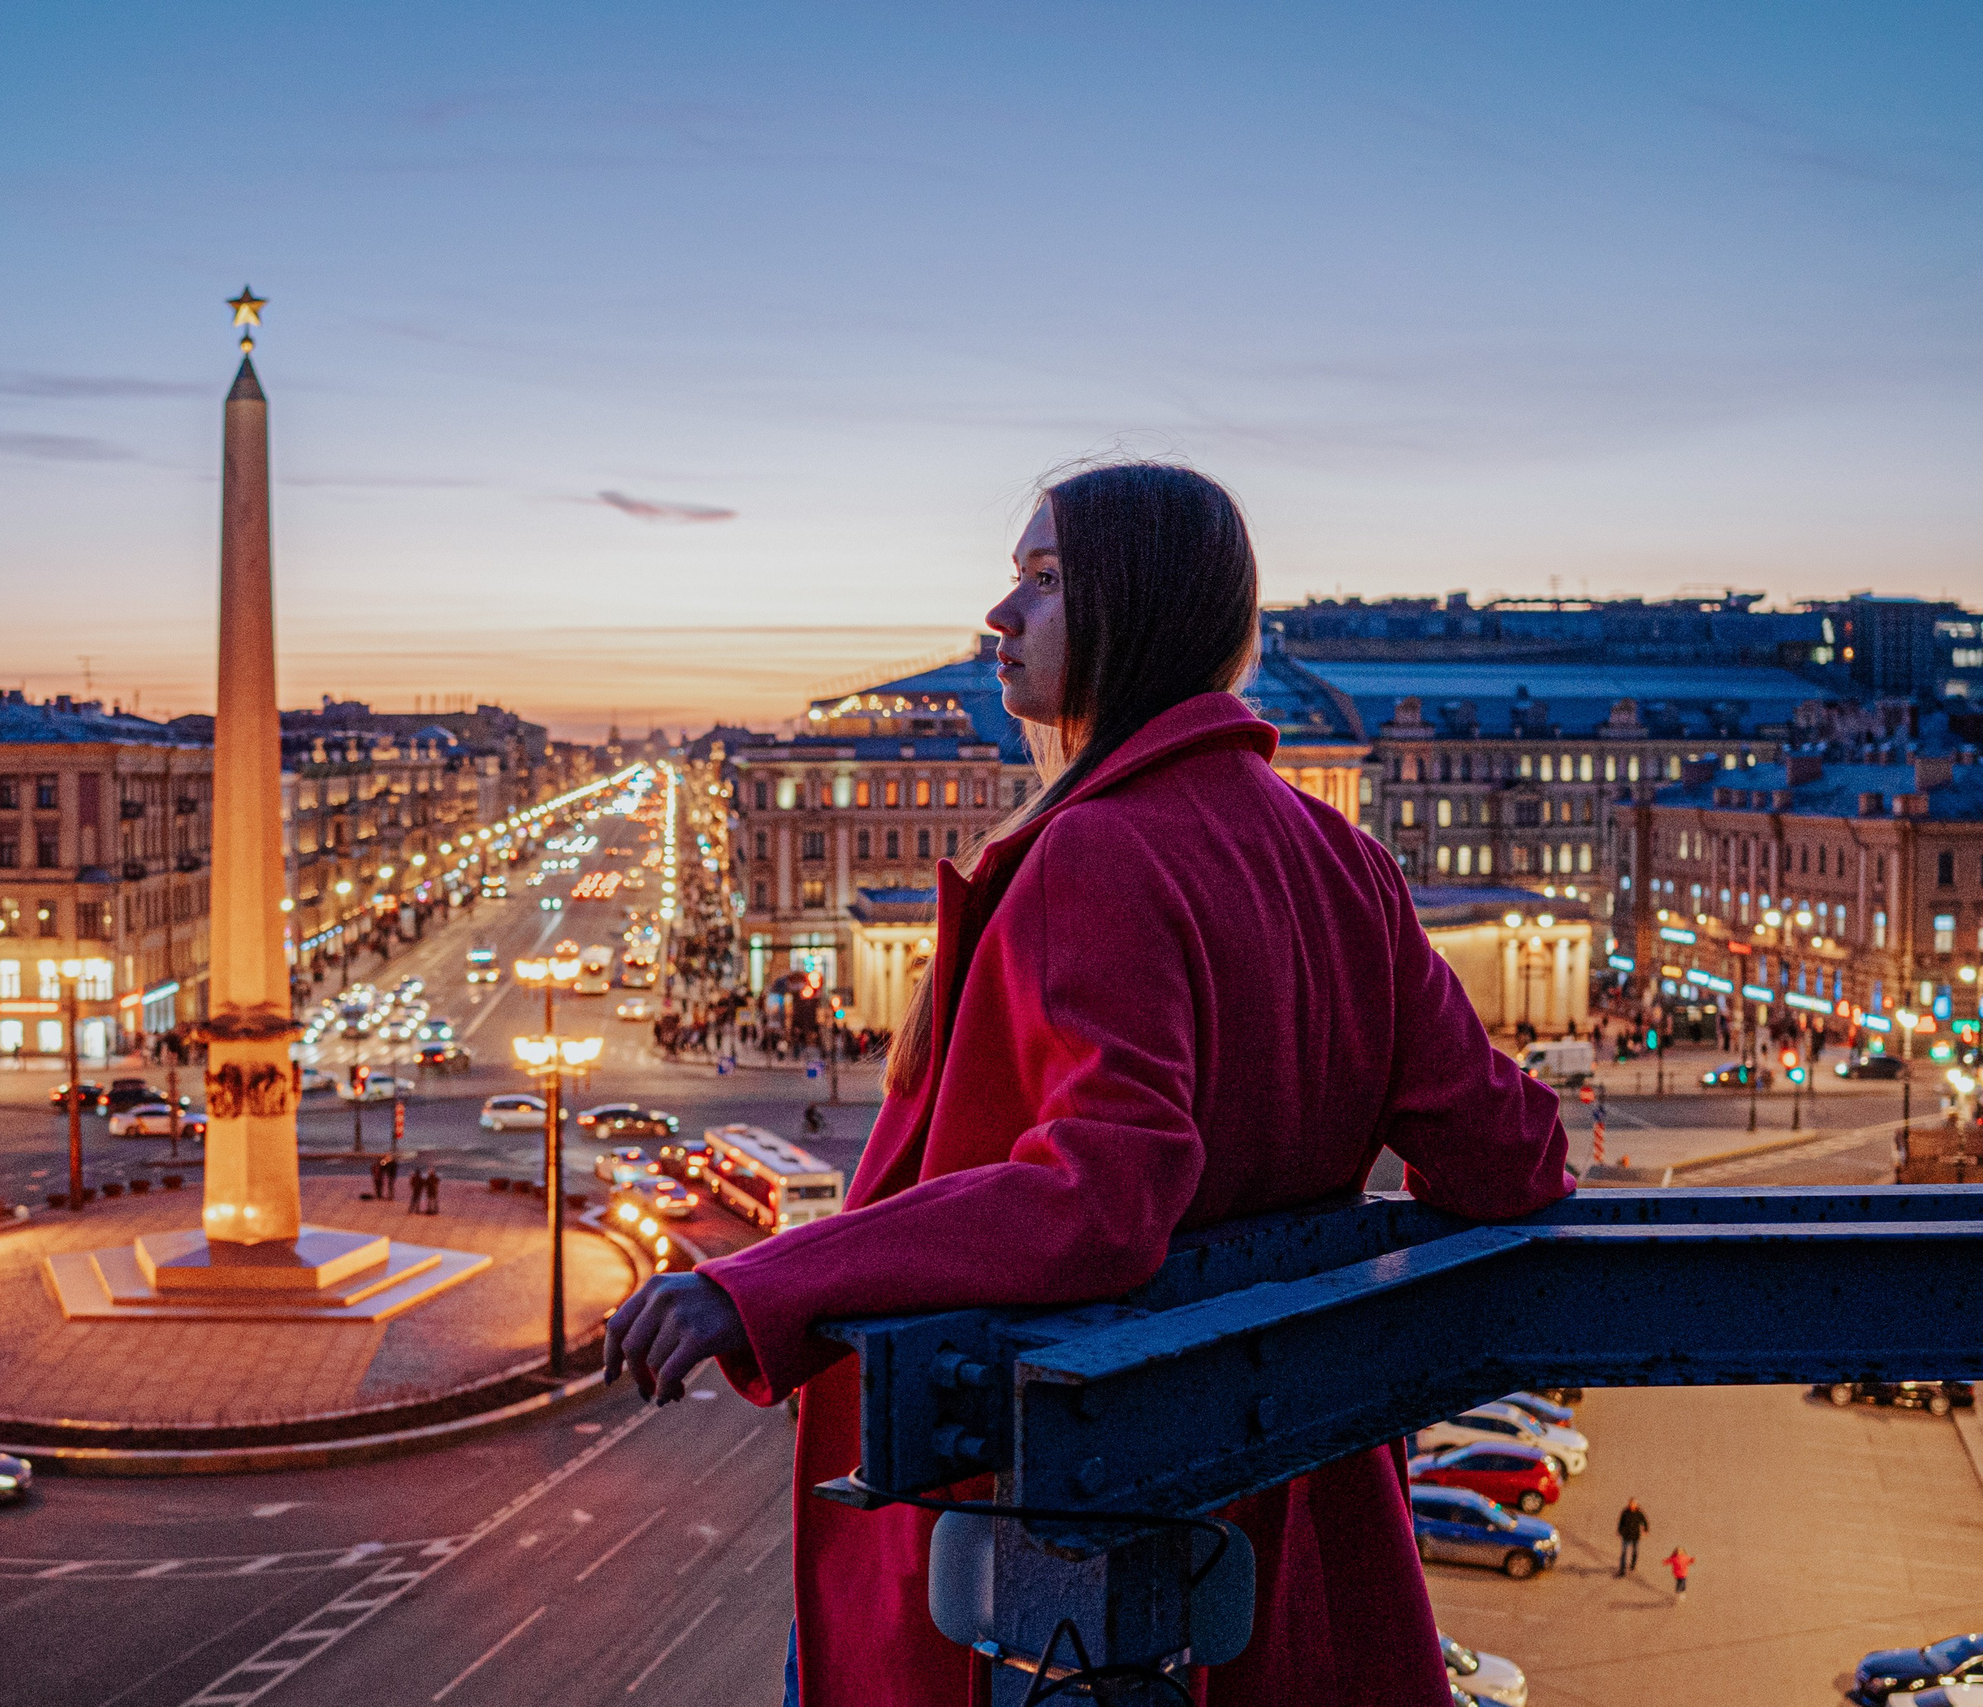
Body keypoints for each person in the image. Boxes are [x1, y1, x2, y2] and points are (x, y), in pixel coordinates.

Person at [602, 462, 1570, 1707]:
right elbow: (1514, 1160)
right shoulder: (1345, 863)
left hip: (1055, 1554)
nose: (998, 619)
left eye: (1044, 583)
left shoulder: (1095, 851)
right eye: (1013, 582)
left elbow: (1102, 1196)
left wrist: (767, 1282)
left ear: (1141, 607)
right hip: (1282, 1512)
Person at [1616, 1498, 1648, 1574]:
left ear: (1636, 1505)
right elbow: (1621, 1522)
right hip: (1626, 1536)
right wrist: (1620, 1531)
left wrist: (1646, 1530)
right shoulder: (1625, 1512)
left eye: (1633, 1504)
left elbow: (1645, 1521)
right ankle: (1622, 1570)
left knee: (1635, 1551)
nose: (1632, 1505)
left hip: (1635, 1536)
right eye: (1631, 1504)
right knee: (1624, 1553)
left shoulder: (1639, 1513)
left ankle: (1633, 1564)